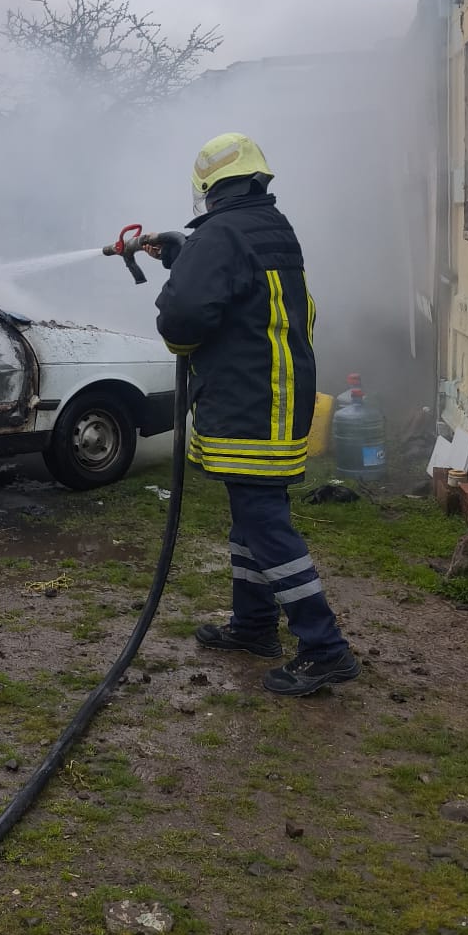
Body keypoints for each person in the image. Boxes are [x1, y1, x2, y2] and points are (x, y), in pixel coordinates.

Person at [151, 133, 360, 698]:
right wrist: (183, 254)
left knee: (264, 522)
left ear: (208, 189)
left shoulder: (220, 234)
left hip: (249, 401)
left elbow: (186, 316)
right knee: (250, 514)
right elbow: (238, 288)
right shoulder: (269, 227)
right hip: (276, 396)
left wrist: (187, 264)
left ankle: (324, 647)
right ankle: (253, 625)